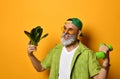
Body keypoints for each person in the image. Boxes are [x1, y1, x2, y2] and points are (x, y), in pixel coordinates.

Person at [27, 18, 110, 79]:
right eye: (64, 28)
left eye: (70, 29)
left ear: (79, 32)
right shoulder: (56, 50)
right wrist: (30, 55)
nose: (66, 32)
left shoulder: (87, 53)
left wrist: (106, 61)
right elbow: (40, 68)